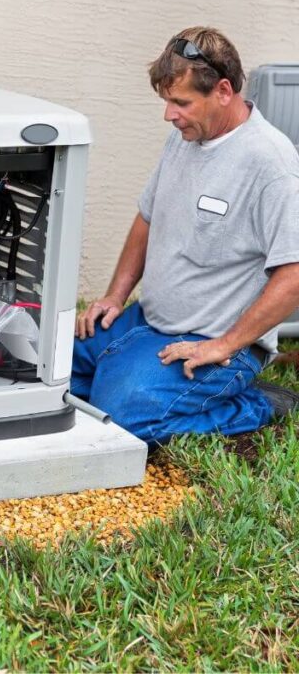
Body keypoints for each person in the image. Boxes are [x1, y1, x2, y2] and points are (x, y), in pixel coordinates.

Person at [73, 26, 299, 445]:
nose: (169, 115)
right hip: (148, 321)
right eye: (167, 102)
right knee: (52, 375)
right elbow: (147, 218)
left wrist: (226, 344)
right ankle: (127, 368)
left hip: (212, 341)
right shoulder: (185, 138)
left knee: (122, 417)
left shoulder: (271, 164)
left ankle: (258, 404)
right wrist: (114, 297)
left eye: (181, 103)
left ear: (224, 91)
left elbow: (294, 275)